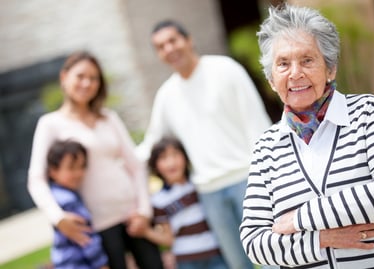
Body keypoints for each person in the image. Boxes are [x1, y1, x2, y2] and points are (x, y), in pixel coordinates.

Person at [240, 3, 374, 268]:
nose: (295, 73)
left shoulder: (367, 112)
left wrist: (300, 219)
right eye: (283, 64)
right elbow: (254, 242)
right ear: (271, 80)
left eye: (307, 60)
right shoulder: (266, 147)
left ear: (330, 68)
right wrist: (322, 239)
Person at [135, 19, 273, 269]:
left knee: (274, 256)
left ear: (189, 40)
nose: (169, 49)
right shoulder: (167, 95)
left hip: (248, 180)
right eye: (160, 46)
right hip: (208, 192)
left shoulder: (226, 70)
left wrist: (267, 176)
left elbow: (257, 123)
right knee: (238, 264)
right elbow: (151, 143)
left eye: (172, 40)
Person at [27, 51, 164, 269]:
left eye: (94, 78)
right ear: (64, 77)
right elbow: (36, 179)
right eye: (80, 76)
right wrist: (58, 217)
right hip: (98, 226)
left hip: (133, 216)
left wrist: (144, 211)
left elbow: (136, 166)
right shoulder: (50, 124)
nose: (87, 83)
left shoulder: (109, 118)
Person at [142, 136, 229, 269]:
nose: (171, 162)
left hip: (215, 253)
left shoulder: (200, 185)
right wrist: (145, 232)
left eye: (175, 155)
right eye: (163, 158)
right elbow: (168, 238)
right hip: (186, 259)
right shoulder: (158, 200)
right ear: (155, 165)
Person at [46, 139, 109, 269]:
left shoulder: (54, 196)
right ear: (53, 171)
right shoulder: (67, 200)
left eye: (82, 166)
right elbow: (87, 240)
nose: (78, 173)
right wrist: (102, 265)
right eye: (71, 168)